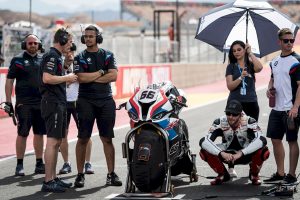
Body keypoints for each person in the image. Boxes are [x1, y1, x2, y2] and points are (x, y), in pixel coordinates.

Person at [73, 25, 122, 188]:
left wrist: (91, 77)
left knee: (107, 139)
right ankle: (80, 175)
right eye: (85, 36)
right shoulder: (79, 56)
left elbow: (114, 75)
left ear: (97, 38)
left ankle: (111, 174)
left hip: (106, 101)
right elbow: (80, 78)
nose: (87, 39)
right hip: (85, 101)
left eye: (91, 36)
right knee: (83, 139)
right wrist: (102, 73)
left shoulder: (108, 55)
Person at [40, 28, 78, 193]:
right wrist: (67, 77)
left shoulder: (57, 57)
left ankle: (53, 178)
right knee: (53, 141)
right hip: (53, 102)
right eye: (69, 41)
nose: (71, 45)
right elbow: (47, 78)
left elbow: (56, 75)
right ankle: (48, 180)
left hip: (58, 102)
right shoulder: (52, 55)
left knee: (57, 142)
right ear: (61, 40)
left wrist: (67, 65)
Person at [199, 100, 269, 185]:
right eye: (228, 113)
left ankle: (254, 174)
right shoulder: (219, 122)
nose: (231, 117)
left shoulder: (250, 121)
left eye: (235, 114)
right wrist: (221, 153)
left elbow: (262, 140)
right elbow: (204, 141)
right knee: (204, 151)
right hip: (226, 155)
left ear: (240, 114)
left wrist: (241, 153)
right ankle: (222, 174)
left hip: (245, 155)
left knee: (263, 151)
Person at [5, 34, 46, 176]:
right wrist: (8, 101)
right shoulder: (17, 60)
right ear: (25, 45)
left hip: (41, 102)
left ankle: (39, 163)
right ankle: (19, 165)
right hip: (24, 103)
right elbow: (9, 81)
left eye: (35, 43)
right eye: (30, 43)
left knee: (39, 133)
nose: (33, 45)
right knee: (22, 133)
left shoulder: (44, 59)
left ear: (39, 45)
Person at [264, 28, 300, 185]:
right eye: (286, 41)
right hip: (276, 109)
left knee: (292, 141)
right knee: (275, 139)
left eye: (292, 40)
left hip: (290, 110)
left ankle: (291, 175)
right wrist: (269, 89)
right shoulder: (274, 62)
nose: (289, 43)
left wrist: (295, 107)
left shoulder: (297, 61)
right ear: (279, 42)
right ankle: (280, 173)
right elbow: (272, 78)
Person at [225, 40, 263, 178]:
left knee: (252, 136)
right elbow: (230, 86)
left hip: (251, 102)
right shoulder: (231, 67)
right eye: (234, 51)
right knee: (232, 135)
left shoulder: (251, 65)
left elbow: (260, 68)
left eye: (239, 49)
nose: (236, 52)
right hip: (234, 104)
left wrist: (250, 52)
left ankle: (253, 171)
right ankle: (231, 167)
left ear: (243, 50)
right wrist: (241, 77)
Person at [59, 43, 94, 175]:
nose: (69, 53)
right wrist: (67, 79)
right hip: (63, 102)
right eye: (67, 50)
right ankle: (66, 163)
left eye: (72, 50)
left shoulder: (81, 61)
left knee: (85, 133)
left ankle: (88, 163)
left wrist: (76, 78)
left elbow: (85, 78)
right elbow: (55, 81)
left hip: (79, 102)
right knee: (63, 135)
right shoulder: (59, 63)